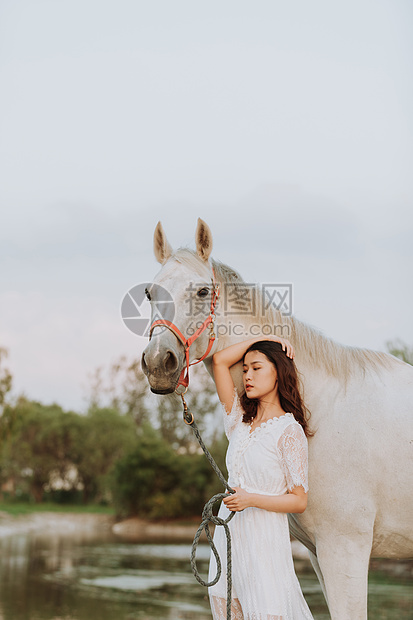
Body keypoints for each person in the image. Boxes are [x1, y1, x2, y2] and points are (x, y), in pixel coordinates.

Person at [208, 335, 314, 620]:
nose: (247, 376)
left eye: (256, 368)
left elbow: (299, 500)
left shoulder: (289, 431)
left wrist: (250, 498)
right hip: (229, 539)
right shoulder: (238, 421)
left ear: (278, 371)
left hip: (264, 545)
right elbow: (219, 360)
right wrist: (265, 338)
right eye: (244, 370)